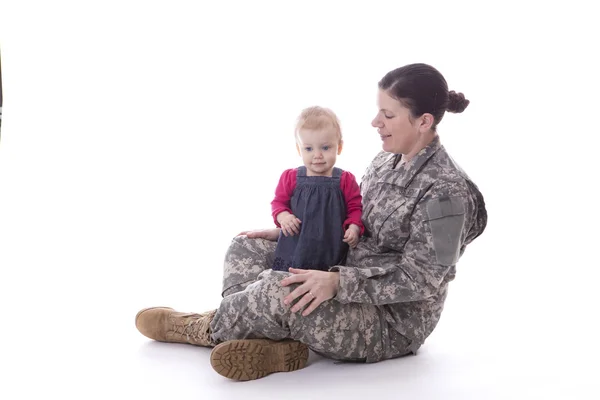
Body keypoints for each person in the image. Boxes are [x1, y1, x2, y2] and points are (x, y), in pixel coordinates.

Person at [135, 63, 487, 382]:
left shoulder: (446, 194)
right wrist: (285, 233)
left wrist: (337, 282)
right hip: (340, 264)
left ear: (423, 121)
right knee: (246, 247)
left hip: (386, 321)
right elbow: (353, 219)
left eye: (388, 115)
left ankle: (202, 327)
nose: (375, 123)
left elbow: (423, 279)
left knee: (279, 288)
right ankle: (280, 342)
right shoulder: (387, 160)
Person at [271, 106, 363, 272]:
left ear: (339, 147)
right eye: (309, 148)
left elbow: (355, 208)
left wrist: (354, 227)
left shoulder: (345, 180)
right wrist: (284, 216)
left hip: (331, 251)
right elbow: (278, 203)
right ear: (299, 149)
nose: (317, 155)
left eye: (325, 148)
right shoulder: (290, 177)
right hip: (294, 250)